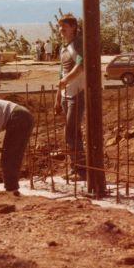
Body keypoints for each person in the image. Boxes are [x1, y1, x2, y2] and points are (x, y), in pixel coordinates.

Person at [54, 14, 86, 180]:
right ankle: (77, 168)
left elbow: (81, 66)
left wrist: (66, 80)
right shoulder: (63, 48)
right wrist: (57, 98)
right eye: (59, 26)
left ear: (73, 27)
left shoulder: (79, 44)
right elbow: (61, 74)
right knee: (73, 132)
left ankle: (80, 169)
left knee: (71, 131)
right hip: (67, 95)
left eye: (64, 26)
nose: (61, 29)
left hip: (78, 92)